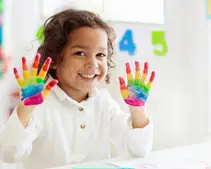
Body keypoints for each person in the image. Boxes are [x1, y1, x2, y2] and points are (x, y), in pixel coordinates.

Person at [0, 9, 155, 169]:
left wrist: (138, 110)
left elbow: (138, 150)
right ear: (53, 59)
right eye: (80, 53)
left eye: (100, 55)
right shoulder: (41, 105)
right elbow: (9, 154)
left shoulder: (104, 102)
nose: (93, 63)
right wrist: (26, 109)